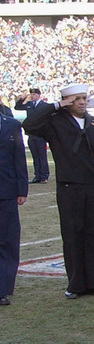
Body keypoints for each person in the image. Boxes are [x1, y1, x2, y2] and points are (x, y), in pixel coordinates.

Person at [23, 83, 94, 299]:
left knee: (93, 234)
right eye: (76, 99)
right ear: (66, 101)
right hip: (69, 186)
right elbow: (29, 124)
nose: (82, 102)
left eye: (84, 98)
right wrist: (55, 106)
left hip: (92, 186)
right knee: (73, 235)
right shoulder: (54, 122)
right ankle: (75, 284)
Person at [0, 110, 28, 306]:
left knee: (8, 241)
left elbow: (19, 158)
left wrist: (22, 189)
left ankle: (3, 288)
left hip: (7, 190)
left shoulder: (11, 125)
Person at [14, 87, 49, 183]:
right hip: (31, 134)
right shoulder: (29, 104)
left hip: (41, 134)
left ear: (39, 95)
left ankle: (44, 176)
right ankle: (37, 175)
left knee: (42, 156)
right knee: (35, 156)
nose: (32, 96)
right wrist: (22, 99)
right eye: (31, 94)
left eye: (34, 94)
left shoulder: (44, 106)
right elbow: (17, 107)